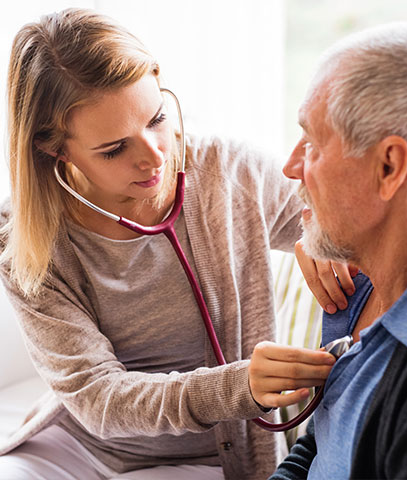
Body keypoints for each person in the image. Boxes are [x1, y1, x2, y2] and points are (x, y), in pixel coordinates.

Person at [0, 8, 344, 480]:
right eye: (115, 148)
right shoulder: (20, 237)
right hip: (78, 451)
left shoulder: (230, 170)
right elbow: (97, 398)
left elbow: (343, 221)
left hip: (207, 459)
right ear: (54, 148)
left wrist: (320, 234)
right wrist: (237, 385)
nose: (154, 156)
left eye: (156, 117)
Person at [268, 21, 407, 479]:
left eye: (313, 143)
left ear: (389, 166)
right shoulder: (362, 282)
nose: (291, 167)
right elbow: (322, 447)